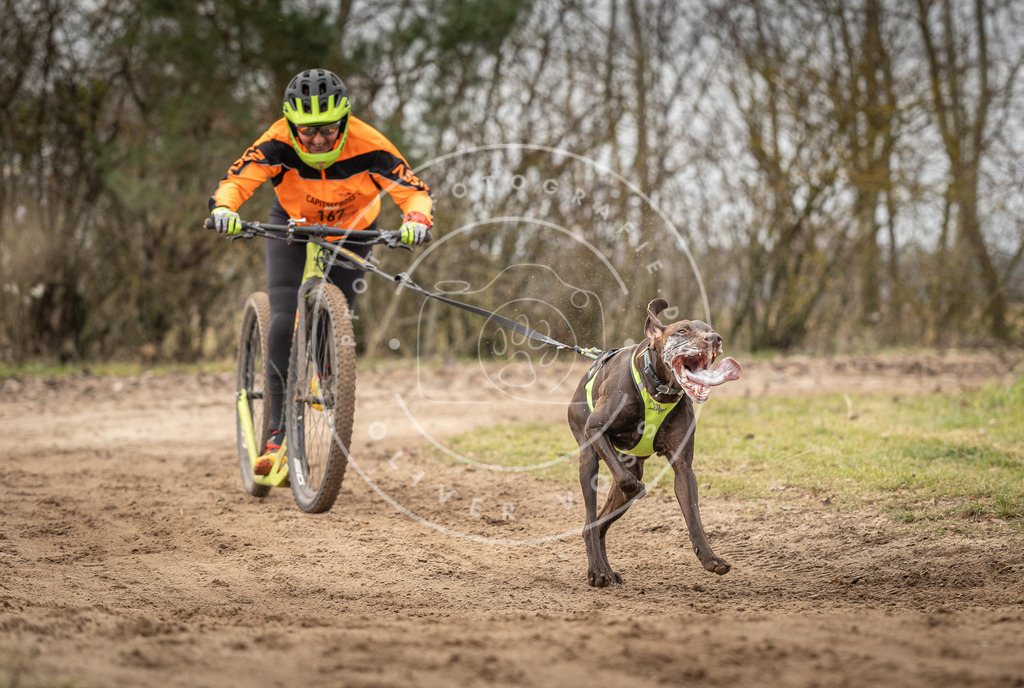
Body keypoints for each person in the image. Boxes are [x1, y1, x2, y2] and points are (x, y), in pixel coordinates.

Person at [209, 68, 433, 473]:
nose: (316, 139)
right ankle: (276, 433)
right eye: (306, 130)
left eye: (327, 129)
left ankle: (328, 369)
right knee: (281, 318)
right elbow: (239, 178)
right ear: (292, 125)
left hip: (353, 229)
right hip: (291, 224)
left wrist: (416, 219)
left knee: (338, 313)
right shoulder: (277, 140)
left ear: (344, 121)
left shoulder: (370, 144)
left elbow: (413, 189)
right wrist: (225, 209)